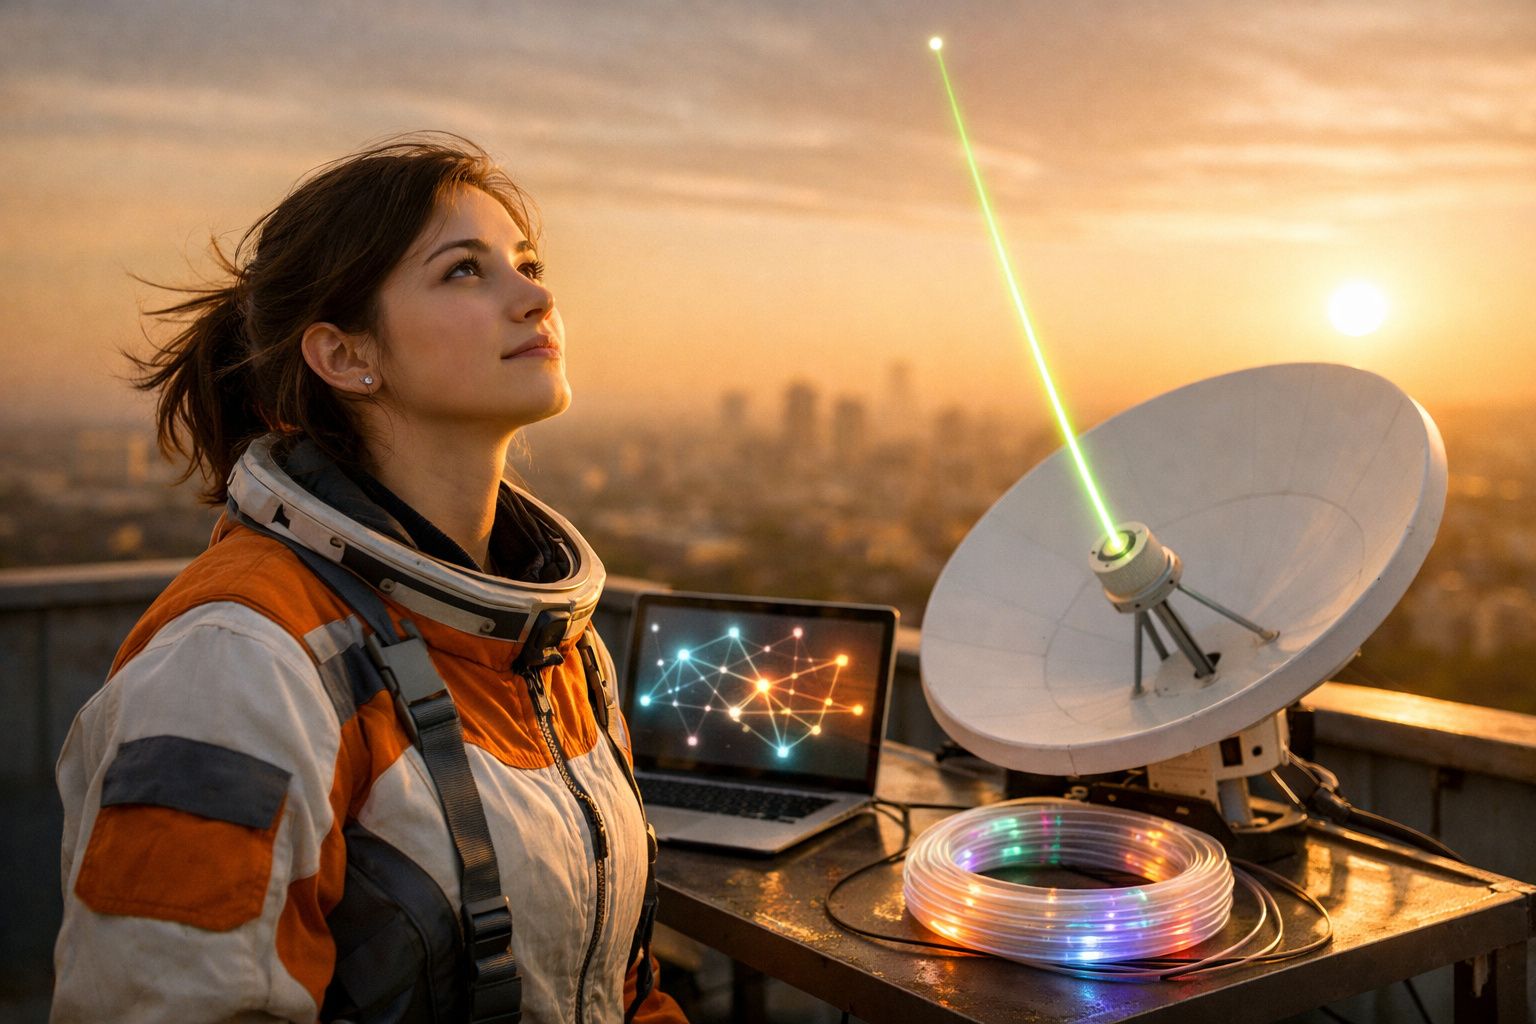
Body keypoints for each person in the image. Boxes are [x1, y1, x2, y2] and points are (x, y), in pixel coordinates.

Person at [51, 133, 689, 1024]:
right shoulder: (239, 661)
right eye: (466, 271)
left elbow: (620, 993)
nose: (537, 295)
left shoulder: (550, 646)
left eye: (528, 262)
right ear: (348, 357)